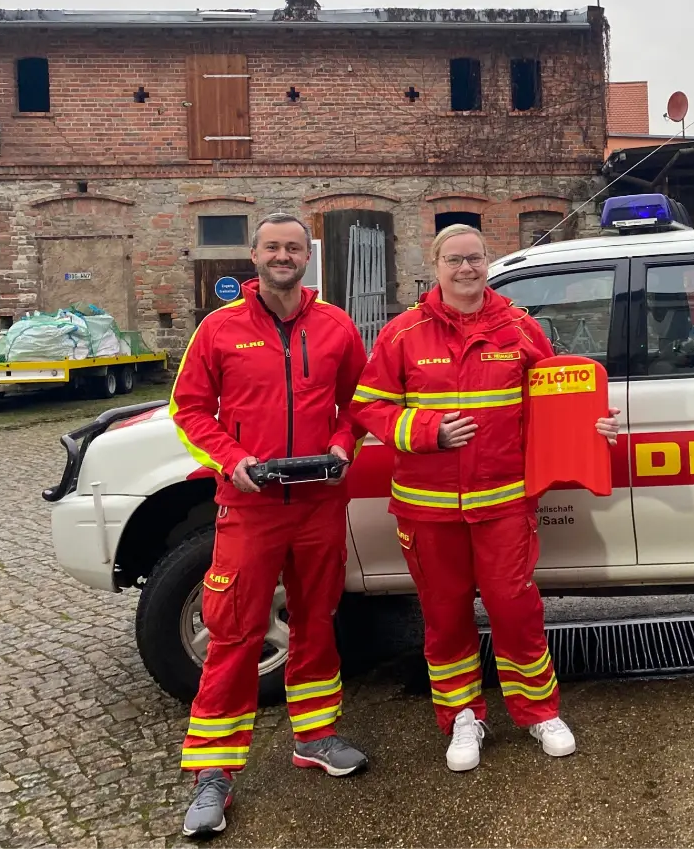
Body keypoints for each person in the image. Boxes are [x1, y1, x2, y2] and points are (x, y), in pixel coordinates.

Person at [351, 223, 617, 772]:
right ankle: (462, 718)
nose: (466, 268)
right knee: (445, 617)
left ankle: (539, 711)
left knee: (515, 610)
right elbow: (368, 406)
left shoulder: (520, 328)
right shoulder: (402, 333)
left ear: (487, 262)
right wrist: (426, 431)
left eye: (474, 258)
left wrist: (592, 424)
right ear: (435, 265)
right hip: (428, 507)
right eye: (454, 259)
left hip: (504, 500)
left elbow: (554, 399)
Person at [169, 212, 370, 839]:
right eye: (272, 247)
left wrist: (342, 446)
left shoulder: (336, 325)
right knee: (235, 633)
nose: (283, 256)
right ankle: (213, 772)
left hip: (318, 504)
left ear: (307, 256)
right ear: (254, 256)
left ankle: (315, 737)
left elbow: (359, 405)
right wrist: (232, 459)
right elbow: (188, 410)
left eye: (293, 248)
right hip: (250, 506)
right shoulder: (218, 328)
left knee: (316, 621)